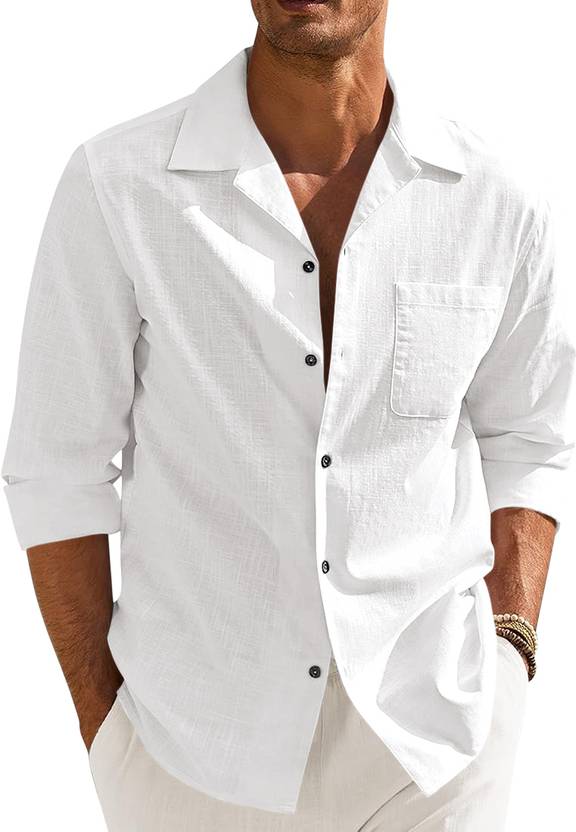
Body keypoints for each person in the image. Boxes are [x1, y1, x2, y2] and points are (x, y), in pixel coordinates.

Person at [3, 1, 575, 829]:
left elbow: (531, 436)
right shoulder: (119, 185)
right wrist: (106, 729)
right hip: (192, 756)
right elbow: (55, 467)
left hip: (435, 746)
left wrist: (511, 649)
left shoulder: (497, 201)